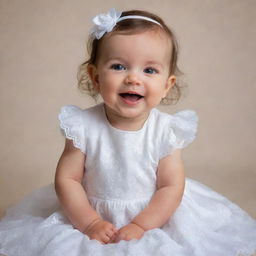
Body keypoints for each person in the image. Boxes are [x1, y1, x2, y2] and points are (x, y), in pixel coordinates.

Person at [0, 8, 256, 256]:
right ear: (95, 76)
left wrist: (142, 225)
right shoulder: (83, 126)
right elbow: (68, 180)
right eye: (119, 67)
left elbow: (170, 187)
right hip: (88, 211)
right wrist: (89, 223)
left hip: (156, 213)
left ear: (167, 85)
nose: (134, 79)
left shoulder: (165, 130)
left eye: (150, 70)